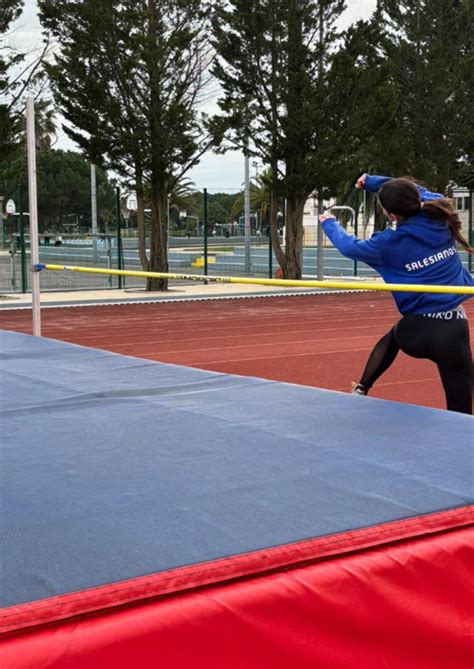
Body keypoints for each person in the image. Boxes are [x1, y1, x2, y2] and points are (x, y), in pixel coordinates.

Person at [319, 173, 473, 414]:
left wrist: (328, 222)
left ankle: (361, 388)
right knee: (461, 411)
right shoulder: (438, 211)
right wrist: (373, 181)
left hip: (416, 333)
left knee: (395, 334)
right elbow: (411, 189)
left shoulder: (386, 244)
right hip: (455, 330)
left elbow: (349, 247)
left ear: (391, 215)